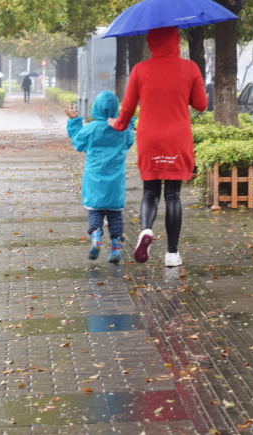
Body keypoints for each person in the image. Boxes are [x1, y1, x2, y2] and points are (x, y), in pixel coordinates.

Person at [108, 26, 207, 267]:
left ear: (151, 41)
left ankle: (145, 231)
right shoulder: (190, 67)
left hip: (149, 139)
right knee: (173, 195)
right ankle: (172, 254)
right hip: (177, 139)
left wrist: (118, 124)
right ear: (176, 40)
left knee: (150, 192)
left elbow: (129, 107)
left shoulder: (140, 70)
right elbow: (201, 105)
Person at [65, 91, 136, 263]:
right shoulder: (121, 129)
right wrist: (128, 120)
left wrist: (75, 121)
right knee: (115, 214)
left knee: (95, 210)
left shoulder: (90, 129)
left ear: (96, 107)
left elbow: (77, 143)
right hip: (115, 180)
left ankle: (96, 236)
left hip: (94, 178)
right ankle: (116, 248)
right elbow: (129, 139)